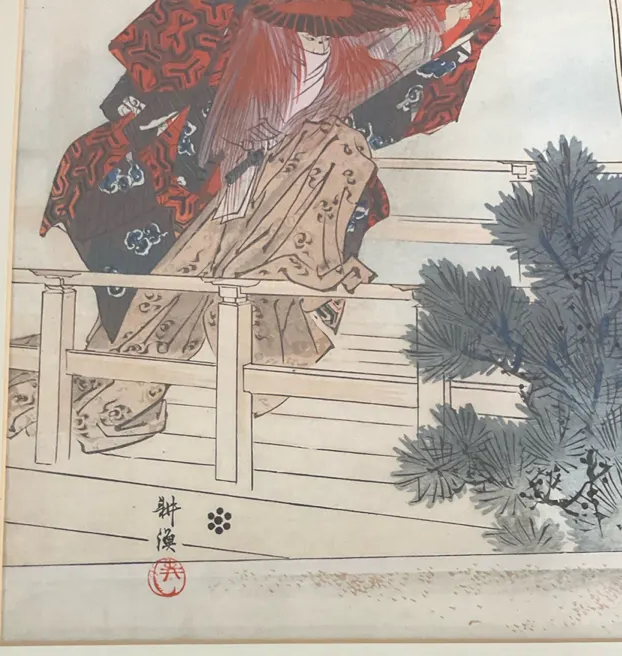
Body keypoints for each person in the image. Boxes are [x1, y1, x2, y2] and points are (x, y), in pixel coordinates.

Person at [39, 0, 501, 453]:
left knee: (339, 148)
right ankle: (109, 389)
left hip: (281, 201)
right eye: (307, 25)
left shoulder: (349, 72)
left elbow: (414, 45)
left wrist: (450, 21)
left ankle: (127, 394)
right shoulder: (245, 45)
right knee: (160, 288)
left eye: (327, 28)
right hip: (212, 187)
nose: (316, 36)